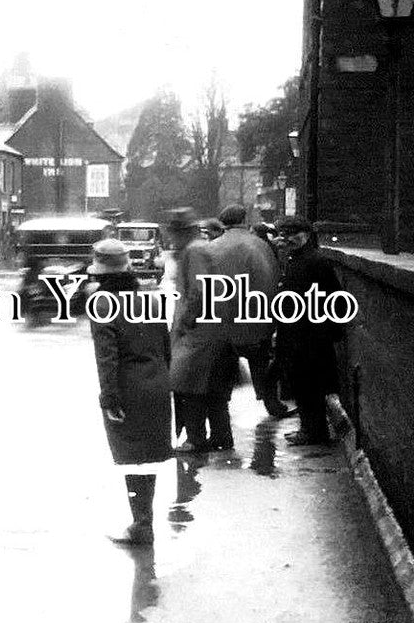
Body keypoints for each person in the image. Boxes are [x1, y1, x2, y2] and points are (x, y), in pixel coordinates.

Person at [88, 239, 173, 546]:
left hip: (128, 387)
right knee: (147, 457)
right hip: (157, 383)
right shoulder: (149, 299)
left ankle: (141, 525)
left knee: (131, 456)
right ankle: (144, 522)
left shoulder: (101, 303)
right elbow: (165, 346)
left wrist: (109, 397)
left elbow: (106, 356)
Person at [209, 204, 293, 418]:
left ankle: (221, 421)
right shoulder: (261, 246)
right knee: (261, 365)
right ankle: (271, 402)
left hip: (223, 322)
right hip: (256, 317)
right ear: (244, 219)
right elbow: (271, 279)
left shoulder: (212, 247)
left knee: (223, 373)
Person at [166, 208, 238, 453]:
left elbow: (199, 290)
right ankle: (221, 437)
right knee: (213, 389)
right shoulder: (198, 249)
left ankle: (196, 439)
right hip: (212, 328)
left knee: (189, 386)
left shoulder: (194, 251)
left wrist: (185, 322)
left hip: (200, 331)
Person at [274, 215, 344, 445]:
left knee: (309, 386)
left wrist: (329, 331)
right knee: (303, 385)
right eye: (284, 235)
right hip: (299, 334)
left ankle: (313, 432)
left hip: (309, 336)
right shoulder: (297, 259)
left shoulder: (315, 262)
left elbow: (334, 299)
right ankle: (310, 428)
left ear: (305, 235)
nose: (287, 239)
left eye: (292, 235)